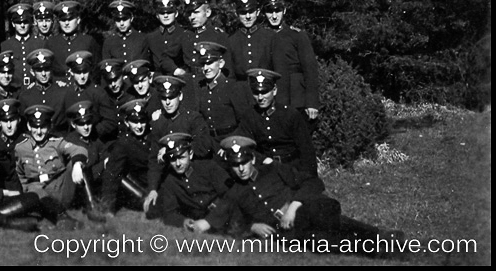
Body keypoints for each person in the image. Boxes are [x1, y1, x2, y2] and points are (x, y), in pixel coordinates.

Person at [213, 136, 405, 258]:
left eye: (244, 162)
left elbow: (312, 182)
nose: (241, 169)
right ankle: (379, 248)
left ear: (253, 159)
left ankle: (379, 237)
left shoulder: (273, 170)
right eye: (236, 165)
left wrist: (293, 207)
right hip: (283, 230)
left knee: (320, 215)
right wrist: (253, 226)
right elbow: (230, 223)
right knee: (316, 239)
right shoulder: (234, 192)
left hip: (305, 210)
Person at [14, 105, 103, 227]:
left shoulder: (57, 142)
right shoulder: (20, 148)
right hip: (37, 194)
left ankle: (92, 208)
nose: (39, 131)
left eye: (43, 127)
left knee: (76, 164)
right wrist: (26, 195)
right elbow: (20, 174)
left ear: (49, 126)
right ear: (29, 126)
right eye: (35, 127)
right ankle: (62, 217)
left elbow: (79, 150)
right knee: (35, 190)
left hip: (60, 189)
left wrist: (77, 164)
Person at [142, 76, 213, 214]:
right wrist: (152, 189)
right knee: (152, 209)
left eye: (172, 97)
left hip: (194, 174)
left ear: (180, 96)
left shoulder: (193, 118)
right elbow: (154, 160)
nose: (168, 102)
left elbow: (205, 146)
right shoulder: (159, 123)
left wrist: (173, 150)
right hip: (172, 178)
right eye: (164, 98)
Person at [234, 68, 318, 180]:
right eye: (256, 92)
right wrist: (261, 159)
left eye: (264, 92)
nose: (260, 98)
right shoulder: (249, 115)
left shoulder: (290, 114)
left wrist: (309, 180)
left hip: (291, 169)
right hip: (264, 171)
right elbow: (243, 144)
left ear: (274, 90)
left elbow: (306, 150)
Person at [259, 0, 321, 123]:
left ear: (284, 11)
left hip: (297, 99)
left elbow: (310, 70)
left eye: (278, 11)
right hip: (272, 99)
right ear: (264, 13)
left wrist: (311, 103)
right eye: (270, 12)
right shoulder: (262, 37)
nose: (274, 16)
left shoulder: (297, 36)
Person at [150, 133, 234, 230]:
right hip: (199, 222)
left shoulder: (209, 168)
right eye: (173, 159)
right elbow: (169, 213)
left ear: (190, 154)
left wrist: (209, 221)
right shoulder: (170, 180)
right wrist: (183, 222)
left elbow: (231, 195)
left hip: (225, 216)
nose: (177, 164)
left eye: (181, 158)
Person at [191, 41, 252, 152]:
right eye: (203, 64)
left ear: (221, 63)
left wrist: (230, 143)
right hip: (208, 144)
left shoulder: (233, 87)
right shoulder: (201, 88)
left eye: (210, 63)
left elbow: (245, 122)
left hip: (230, 143)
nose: (205, 68)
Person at [101, 99, 151, 214]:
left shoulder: (152, 137)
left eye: (142, 121)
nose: (139, 126)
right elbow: (111, 175)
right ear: (127, 123)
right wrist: (108, 207)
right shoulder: (124, 144)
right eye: (134, 122)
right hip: (141, 189)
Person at [62, 51, 119, 142]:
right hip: (74, 141)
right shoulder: (68, 93)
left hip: (95, 140)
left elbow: (111, 122)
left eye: (85, 71)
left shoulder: (98, 92)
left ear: (89, 70)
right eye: (78, 72)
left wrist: (91, 131)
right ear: (72, 72)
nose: (82, 76)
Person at [64, 100, 110, 211]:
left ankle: (141, 196)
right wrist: (102, 165)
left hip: (93, 182)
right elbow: (81, 169)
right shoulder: (70, 141)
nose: (86, 127)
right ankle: (92, 207)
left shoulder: (94, 139)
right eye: (81, 124)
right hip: (75, 189)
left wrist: (106, 162)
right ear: (73, 124)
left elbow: (105, 156)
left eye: (88, 122)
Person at [180, 0, 233, 75]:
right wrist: (175, 70)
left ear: (208, 12)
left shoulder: (219, 36)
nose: (192, 17)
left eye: (196, 12)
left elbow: (228, 68)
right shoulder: (185, 35)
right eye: (189, 13)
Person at [45, 0, 100, 81]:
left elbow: (96, 69)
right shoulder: (51, 43)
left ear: (78, 20)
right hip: (58, 89)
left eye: (70, 19)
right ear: (59, 22)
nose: (66, 23)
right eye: (63, 20)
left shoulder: (88, 41)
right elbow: (47, 70)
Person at [227, 0, 275, 82]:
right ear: (237, 14)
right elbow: (230, 75)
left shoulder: (270, 36)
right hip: (241, 90)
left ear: (257, 12)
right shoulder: (231, 40)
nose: (248, 16)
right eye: (243, 13)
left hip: (266, 88)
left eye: (251, 12)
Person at [17, 48, 69, 132]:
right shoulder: (25, 95)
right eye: (39, 70)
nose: (43, 74)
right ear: (32, 72)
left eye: (47, 69)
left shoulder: (63, 91)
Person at [0, 3, 43, 88]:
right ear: (13, 24)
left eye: (25, 22)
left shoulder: (40, 43)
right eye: (19, 22)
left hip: (35, 89)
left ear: (30, 22)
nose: (22, 25)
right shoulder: (5, 45)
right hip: (14, 90)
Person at [146, 0, 189, 78]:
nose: (166, 16)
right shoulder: (151, 37)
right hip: (157, 82)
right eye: (162, 13)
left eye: (169, 12)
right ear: (157, 15)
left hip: (180, 80)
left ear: (176, 14)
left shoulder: (184, 34)